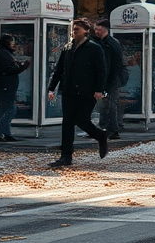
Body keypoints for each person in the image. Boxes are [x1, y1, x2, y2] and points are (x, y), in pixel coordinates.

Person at [46, 18, 109, 167]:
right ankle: (65, 156)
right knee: (67, 122)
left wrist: (99, 89)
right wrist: (52, 87)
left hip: (87, 91)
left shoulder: (94, 48)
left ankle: (100, 136)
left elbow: (102, 70)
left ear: (86, 31)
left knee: (81, 120)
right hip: (68, 90)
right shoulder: (67, 47)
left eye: (77, 30)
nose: (74, 32)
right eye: (73, 30)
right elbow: (59, 69)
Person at [0, 33, 30, 142]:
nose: (13, 45)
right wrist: (22, 68)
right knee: (11, 110)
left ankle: (6, 133)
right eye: (11, 43)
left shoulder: (4, 53)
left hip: (6, 87)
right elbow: (8, 71)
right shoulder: (3, 54)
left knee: (4, 110)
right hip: (5, 87)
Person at [94, 18, 125, 139]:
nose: (96, 31)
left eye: (99, 29)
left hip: (110, 78)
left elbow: (115, 65)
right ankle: (107, 127)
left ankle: (112, 129)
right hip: (107, 77)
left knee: (110, 103)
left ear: (104, 29)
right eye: (96, 29)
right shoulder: (107, 43)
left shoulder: (110, 44)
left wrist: (109, 81)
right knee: (107, 103)